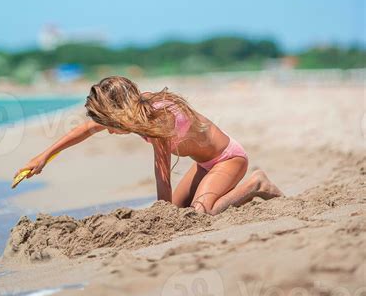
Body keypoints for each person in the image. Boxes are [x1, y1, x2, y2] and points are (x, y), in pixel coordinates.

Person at [14, 76, 282, 215]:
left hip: (228, 159)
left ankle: (256, 184)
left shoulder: (158, 120)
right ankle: (225, 194)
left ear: (119, 115)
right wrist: (43, 156)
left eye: (108, 124)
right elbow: (85, 129)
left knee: (201, 213)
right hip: (204, 165)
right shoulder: (135, 113)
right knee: (178, 211)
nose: (106, 130)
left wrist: (162, 218)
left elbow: (162, 174)